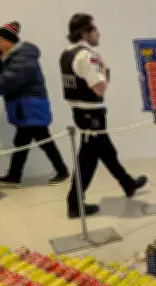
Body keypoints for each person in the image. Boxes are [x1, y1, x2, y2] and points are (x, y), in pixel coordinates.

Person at [60, 13, 147, 218]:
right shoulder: (88, 55)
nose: (99, 33)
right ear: (85, 32)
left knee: (107, 150)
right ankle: (74, 203)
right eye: (95, 30)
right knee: (87, 159)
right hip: (92, 113)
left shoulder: (67, 53)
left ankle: (128, 183)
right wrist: (106, 71)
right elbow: (99, 88)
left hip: (79, 112)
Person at [0, 21, 70, 187]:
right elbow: (0, 71)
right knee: (24, 142)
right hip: (25, 107)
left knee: (43, 140)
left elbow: (5, 83)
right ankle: (15, 175)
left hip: (31, 107)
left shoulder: (22, 59)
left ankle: (61, 172)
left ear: (8, 40)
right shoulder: (13, 57)